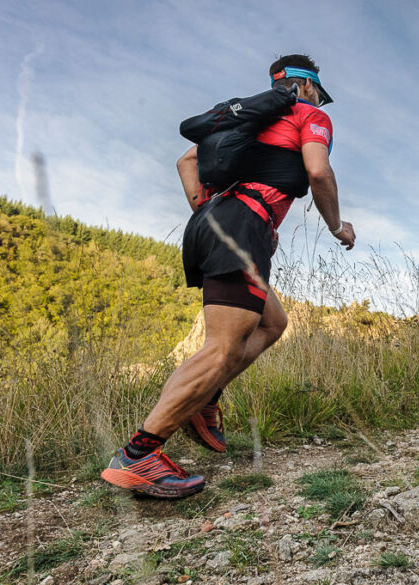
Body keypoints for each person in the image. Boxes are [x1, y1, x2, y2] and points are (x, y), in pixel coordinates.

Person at [101, 54, 355, 498]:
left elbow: (186, 162)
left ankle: (205, 401)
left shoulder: (237, 122)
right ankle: (139, 454)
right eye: (318, 90)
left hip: (209, 222)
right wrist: (337, 226)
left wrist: (213, 215)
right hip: (243, 225)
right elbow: (317, 170)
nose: (320, 99)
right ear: (307, 85)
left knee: (273, 323)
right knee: (221, 347)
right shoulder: (308, 113)